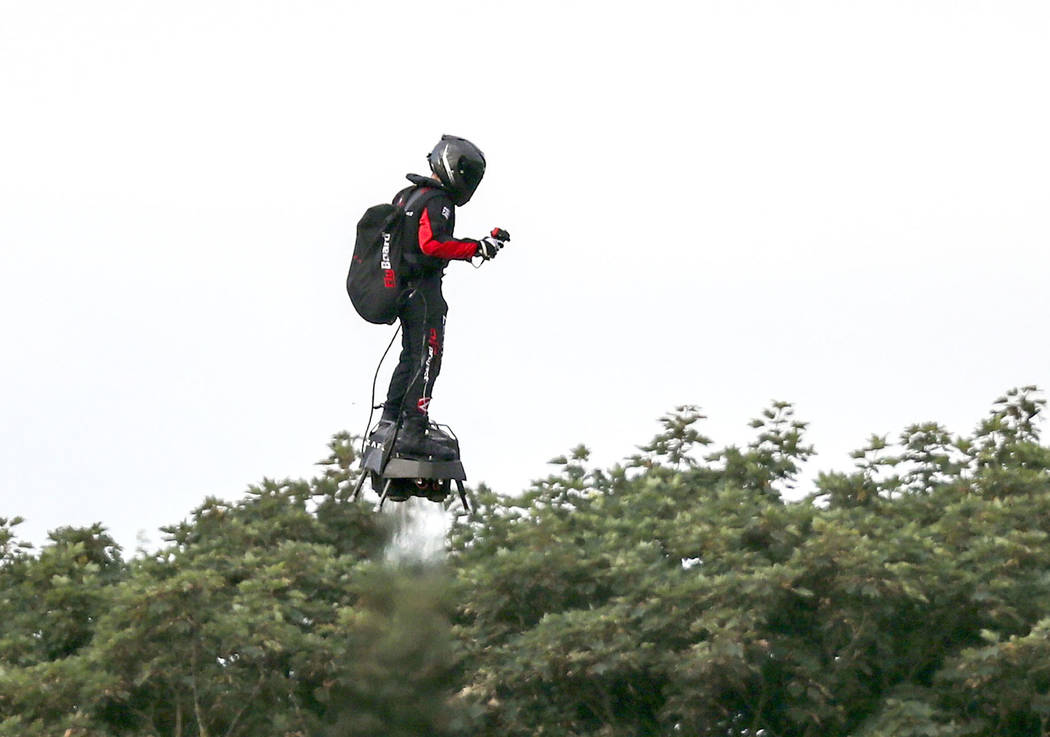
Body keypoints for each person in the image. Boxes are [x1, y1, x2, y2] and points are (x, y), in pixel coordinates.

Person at [373, 134, 509, 459]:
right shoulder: (438, 201)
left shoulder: (408, 195)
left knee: (410, 355)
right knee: (428, 356)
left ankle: (389, 423)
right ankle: (413, 430)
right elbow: (431, 243)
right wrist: (476, 248)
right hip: (423, 294)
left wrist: (477, 245)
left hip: (403, 290)